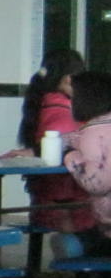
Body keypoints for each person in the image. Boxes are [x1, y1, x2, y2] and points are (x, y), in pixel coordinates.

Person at [16, 48, 95, 235]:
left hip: (48, 199)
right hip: (67, 204)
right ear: (69, 79)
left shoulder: (44, 102)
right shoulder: (62, 109)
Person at [60, 71, 111, 256]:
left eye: (71, 98)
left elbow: (95, 183)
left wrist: (70, 155)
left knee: (70, 245)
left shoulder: (94, 131)